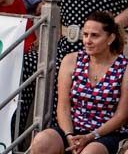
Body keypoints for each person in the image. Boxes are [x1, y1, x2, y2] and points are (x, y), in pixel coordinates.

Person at [29, 11, 128, 154]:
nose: (88, 40)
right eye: (85, 34)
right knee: (42, 141)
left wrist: (90, 137)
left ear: (110, 38)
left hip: (106, 133)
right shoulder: (71, 60)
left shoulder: (124, 67)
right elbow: (63, 106)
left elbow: (121, 116)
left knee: (90, 152)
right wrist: (69, 136)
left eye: (95, 35)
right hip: (72, 129)